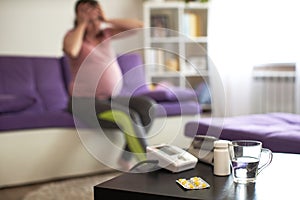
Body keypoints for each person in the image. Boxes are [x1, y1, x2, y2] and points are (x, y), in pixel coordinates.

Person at [63, 0, 155, 170]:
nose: (91, 15)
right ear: (78, 16)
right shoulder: (73, 36)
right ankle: (148, 168)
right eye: (86, 12)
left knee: (148, 107)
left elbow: (139, 25)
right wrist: (83, 23)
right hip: (83, 102)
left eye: (94, 11)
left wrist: (106, 18)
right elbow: (72, 51)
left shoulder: (106, 34)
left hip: (109, 99)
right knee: (128, 116)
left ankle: (125, 158)